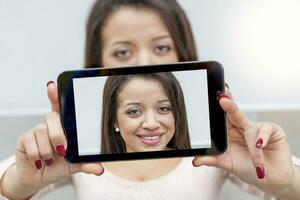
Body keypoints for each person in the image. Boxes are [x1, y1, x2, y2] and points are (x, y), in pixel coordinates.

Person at [0, 0, 299, 199]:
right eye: (122, 52)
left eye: (161, 47)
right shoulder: (76, 143)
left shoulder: (216, 142)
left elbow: (286, 181)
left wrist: (286, 182)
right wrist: (20, 184)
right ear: (97, 63)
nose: (143, 62)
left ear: (185, 54)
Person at [100, 72, 191, 154]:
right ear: (114, 120)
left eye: (163, 108)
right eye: (134, 111)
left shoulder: (200, 168)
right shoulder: (96, 171)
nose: (151, 125)